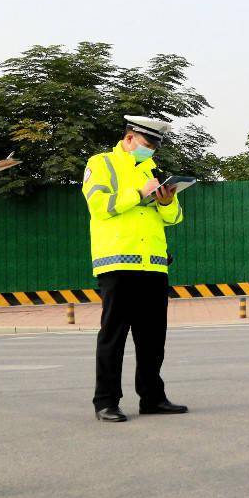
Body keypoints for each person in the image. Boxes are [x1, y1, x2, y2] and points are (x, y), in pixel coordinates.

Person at [85, 115, 189, 422]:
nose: (151, 151)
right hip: (117, 262)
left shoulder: (151, 170)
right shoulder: (101, 163)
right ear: (129, 138)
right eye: (147, 144)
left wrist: (167, 200)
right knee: (113, 336)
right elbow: (98, 206)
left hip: (154, 264)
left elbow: (173, 218)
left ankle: (153, 398)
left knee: (153, 338)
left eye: (155, 147)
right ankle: (106, 401)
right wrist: (139, 193)